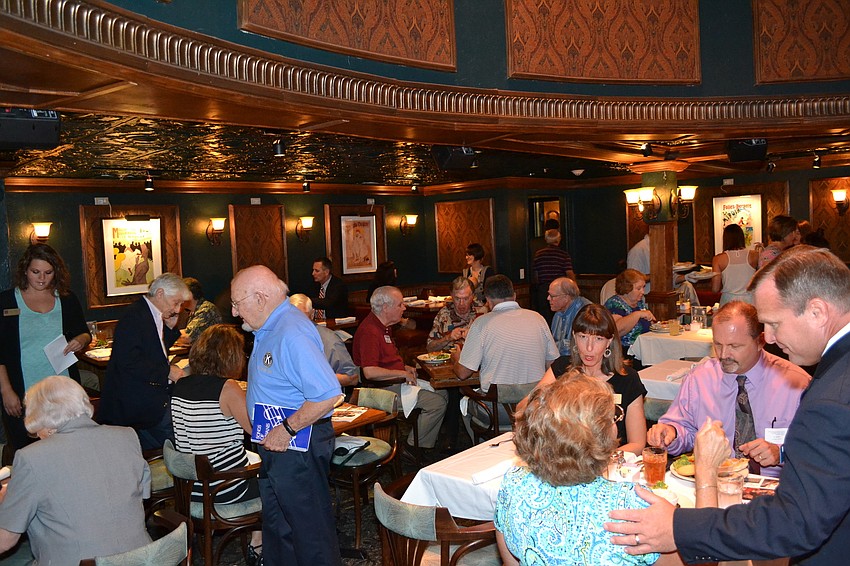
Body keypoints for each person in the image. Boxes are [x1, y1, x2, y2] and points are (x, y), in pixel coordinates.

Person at [606, 245, 850, 564]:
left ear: (817, 312)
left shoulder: (826, 392)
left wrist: (679, 528)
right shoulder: (834, 375)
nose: (772, 338)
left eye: (774, 324)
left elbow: (795, 521)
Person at [496, 372, 729, 566]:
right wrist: (706, 470)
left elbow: (511, 561)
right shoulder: (629, 508)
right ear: (600, 438)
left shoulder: (514, 484)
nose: (616, 427)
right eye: (612, 419)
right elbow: (704, 558)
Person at [231, 265, 343, 565]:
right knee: (280, 529)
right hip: (277, 446)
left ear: (260, 297)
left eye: (237, 303)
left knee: (310, 534)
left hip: (296, 447)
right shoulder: (270, 326)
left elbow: (328, 394)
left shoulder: (291, 331)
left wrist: (286, 429)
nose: (234, 312)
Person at [647, 301, 809, 477]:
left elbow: (817, 450)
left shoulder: (796, 384)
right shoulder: (700, 379)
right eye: (717, 344)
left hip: (776, 490)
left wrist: (782, 453)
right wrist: (672, 432)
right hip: (713, 483)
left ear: (760, 341)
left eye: (734, 346)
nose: (723, 355)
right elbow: (685, 430)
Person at [0, 376, 151, 565]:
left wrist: (6, 502)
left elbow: (5, 541)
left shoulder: (30, 458)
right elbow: (143, 496)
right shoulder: (127, 436)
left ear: (44, 422)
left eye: (36, 432)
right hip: (144, 558)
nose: (37, 437)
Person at [170, 324, 263, 562]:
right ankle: (258, 543)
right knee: (274, 476)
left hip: (191, 487)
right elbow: (256, 430)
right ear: (231, 357)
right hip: (222, 488)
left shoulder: (180, 386)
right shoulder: (228, 388)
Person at [520, 304, 647, 455]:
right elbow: (523, 409)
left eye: (598, 339)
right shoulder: (562, 368)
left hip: (610, 462)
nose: (589, 347)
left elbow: (637, 444)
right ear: (574, 336)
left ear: (609, 341)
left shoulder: (627, 379)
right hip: (565, 459)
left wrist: (599, 460)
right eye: (583, 337)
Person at [0, 244, 90, 451]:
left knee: (69, 448)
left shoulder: (66, 299)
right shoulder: (6, 301)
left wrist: (80, 340)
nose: (41, 278)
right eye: (36, 272)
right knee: (28, 450)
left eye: (48, 273)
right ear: (25, 270)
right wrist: (6, 391)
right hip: (23, 390)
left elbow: (84, 333)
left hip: (63, 389)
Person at [99, 273, 191, 450]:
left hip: (148, 397)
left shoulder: (150, 313)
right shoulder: (134, 317)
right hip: (136, 402)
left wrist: (170, 328)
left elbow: (154, 350)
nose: (178, 309)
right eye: (176, 302)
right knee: (180, 444)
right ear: (160, 294)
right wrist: (167, 371)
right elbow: (129, 362)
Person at [352, 286, 448, 449]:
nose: (404, 308)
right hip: (382, 390)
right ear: (385, 308)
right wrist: (402, 373)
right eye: (399, 305)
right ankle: (414, 447)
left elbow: (384, 361)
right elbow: (369, 371)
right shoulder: (370, 331)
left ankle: (424, 439)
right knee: (436, 403)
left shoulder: (384, 326)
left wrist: (404, 367)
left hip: (394, 382)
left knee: (442, 392)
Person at [289, 293, 359, 386]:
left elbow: (352, 378)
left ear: (312, 314)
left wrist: (319, 378)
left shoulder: (329, 340)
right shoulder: (277, 337)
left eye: (301, 317)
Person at [604, 268, 656, 353]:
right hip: (625, 352)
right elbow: (616, 330)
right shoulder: (614, 304)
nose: (643, 291)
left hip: (645, 349)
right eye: (638, 288)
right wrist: (637, 314)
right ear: (626, 288)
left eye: (643, 287)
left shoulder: (639, 303)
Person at [532, 229, 576, 323]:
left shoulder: (538, 254)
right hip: (560, 290)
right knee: (559, 316)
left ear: (546, 239)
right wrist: (574, 287)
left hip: (543, 290)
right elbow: (569, 273)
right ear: (558, 239)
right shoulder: (563, 255)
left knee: (544, 318)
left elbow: (535, 276)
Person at [426, 276, 479, 353]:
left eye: (466, 299)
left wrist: (474, 336)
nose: (461, 304)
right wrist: (448, 338)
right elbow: (430, 347)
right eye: (457, 299)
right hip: (448, 361)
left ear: (473, 296)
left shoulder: (482, 312)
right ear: (451, 296)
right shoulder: (444, 314)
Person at [711, 224, 759, 305]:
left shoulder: (718, 259)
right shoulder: (755, 255)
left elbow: (715, 289)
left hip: (728, 301)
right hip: (749, 301)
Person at [548, 276, 591, 356]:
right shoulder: (558, 312)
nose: (548, 298)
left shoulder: (586, 313)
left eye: (552, 296)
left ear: (566, 297)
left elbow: (577, 348)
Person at [178, 276, 223, 344]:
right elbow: (188, 331)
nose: (178, 299)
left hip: (212, 353)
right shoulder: (193, 311)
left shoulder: (206, 309)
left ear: (189, 295)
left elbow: (188, 337)